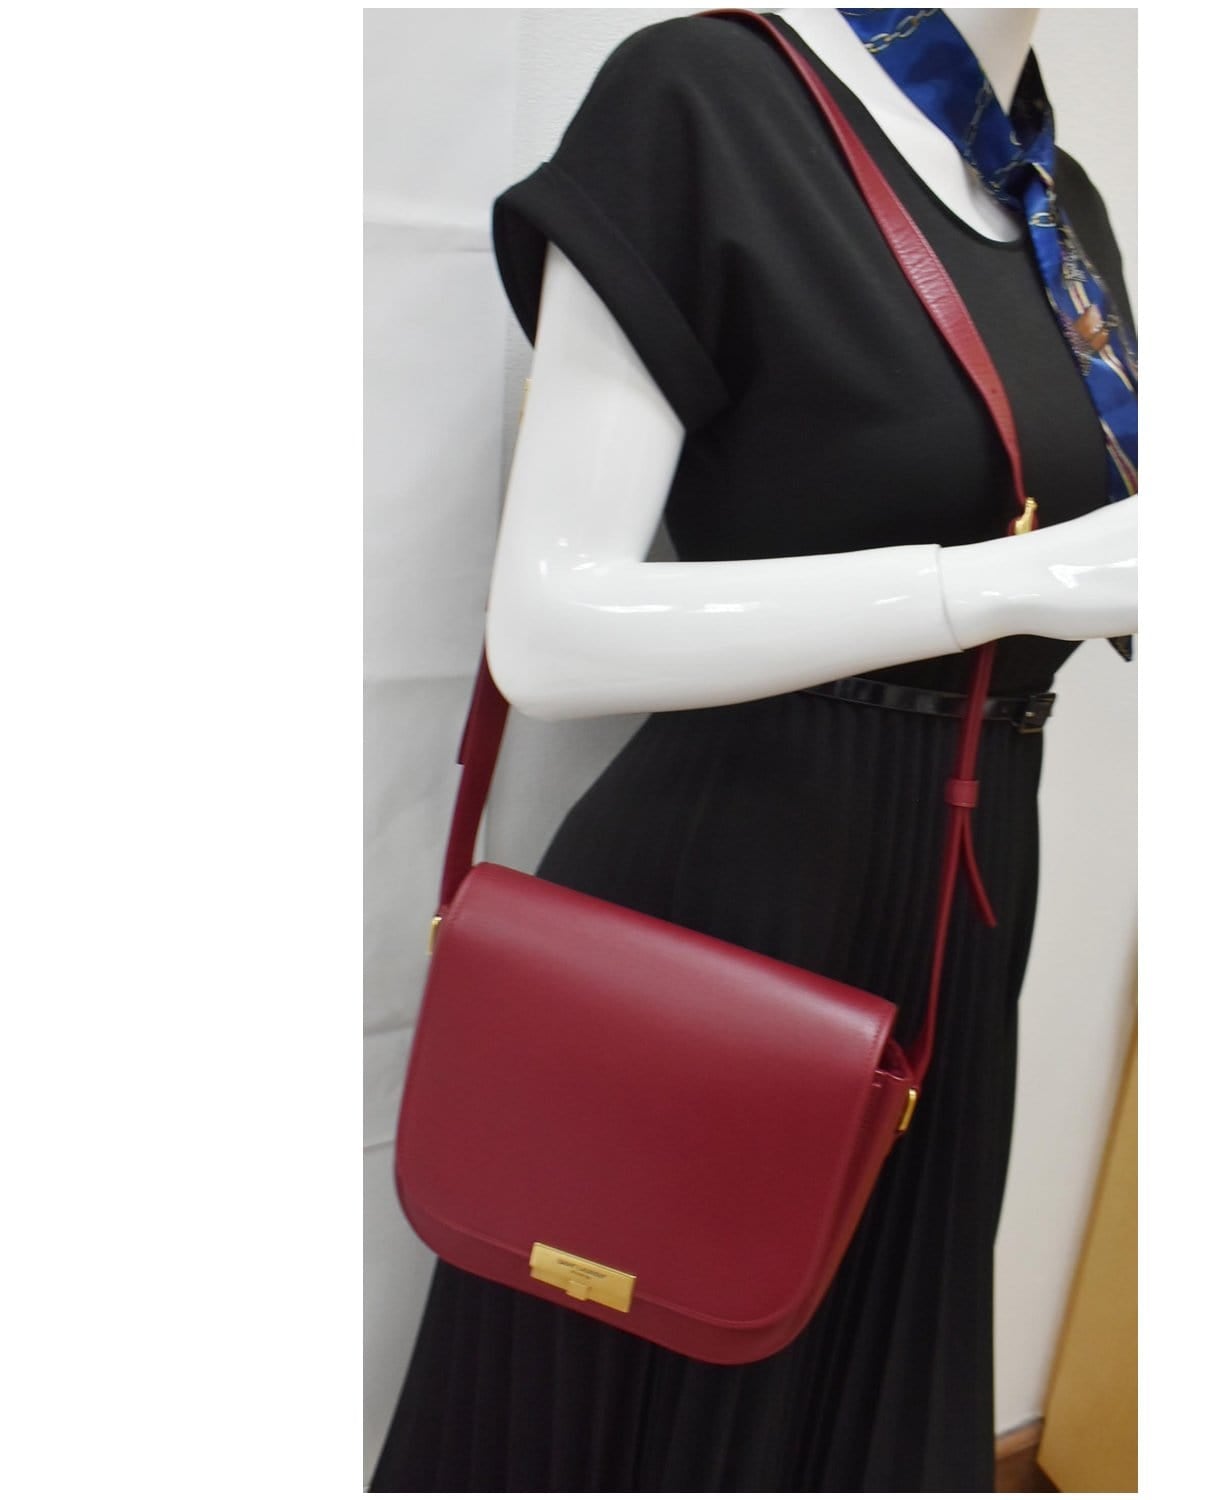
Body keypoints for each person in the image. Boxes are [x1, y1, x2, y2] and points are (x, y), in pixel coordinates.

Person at [372, 8, 1136, 1490]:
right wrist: (1008, 582)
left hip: (967, 907)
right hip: (736, 899)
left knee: (862, 1394)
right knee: (645, 1393)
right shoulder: (708, 100)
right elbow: (548, 631)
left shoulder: (1057, 208)